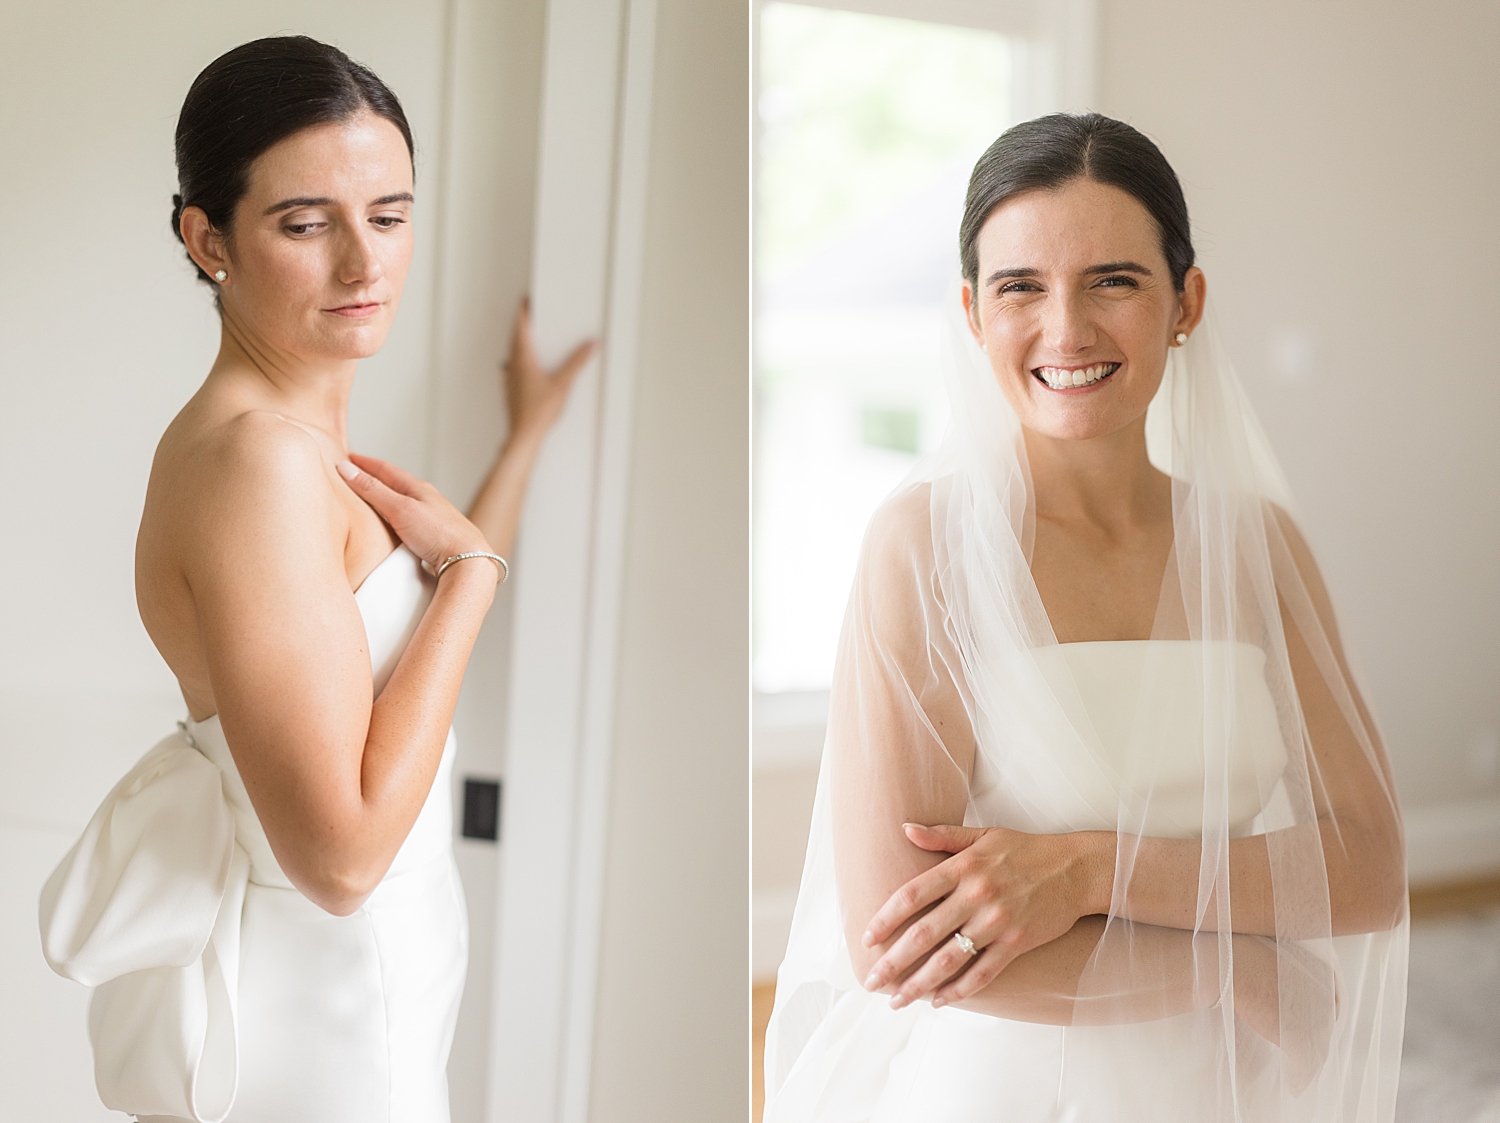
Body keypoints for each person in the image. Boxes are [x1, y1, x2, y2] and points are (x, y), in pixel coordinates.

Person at [763, 113, 1408, 1122]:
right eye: (1022, 286)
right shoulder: (923, 547)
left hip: (1223, 1087)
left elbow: (1367, 863)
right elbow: (903, 949)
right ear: (973, 313)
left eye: (1113, 279)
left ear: (1185, 302)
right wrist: (1232, 971)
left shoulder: (1262, 546)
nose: (1066, 330)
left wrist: (1086, 868)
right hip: (1005, 1087)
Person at [37, 36, 594, 1123]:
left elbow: (396, 609)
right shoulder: (258, 465)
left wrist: (523, 442)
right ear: (209, 240)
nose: (365, 264)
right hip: (331, 1018)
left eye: (388, 215)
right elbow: (339, 862)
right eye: (306, 224)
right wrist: (476, 578)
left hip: (375, 990)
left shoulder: (284, 444)